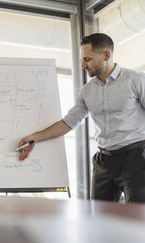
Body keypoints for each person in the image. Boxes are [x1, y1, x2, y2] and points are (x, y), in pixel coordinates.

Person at [18, 33, 145, 203]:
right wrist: (34, 138)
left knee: (137, 217)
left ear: (106, 55)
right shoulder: (87, 91)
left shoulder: (135, 80)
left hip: (136, 157)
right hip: (104, 161)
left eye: (87, 59)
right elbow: (68, 122)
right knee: (99, 216)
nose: (83, 65)